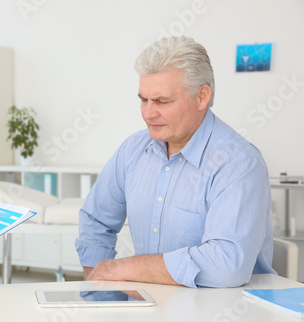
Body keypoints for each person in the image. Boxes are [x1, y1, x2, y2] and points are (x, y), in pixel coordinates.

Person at [75, 36, 275, 288]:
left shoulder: (238, 163)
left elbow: (226, 265)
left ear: (202, 97)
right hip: (147, 304)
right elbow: (96, 220)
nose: (148, 113)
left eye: (162, 101)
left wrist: (125, 267)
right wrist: (99, 286)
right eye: (143, 100)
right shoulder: (133, 149)